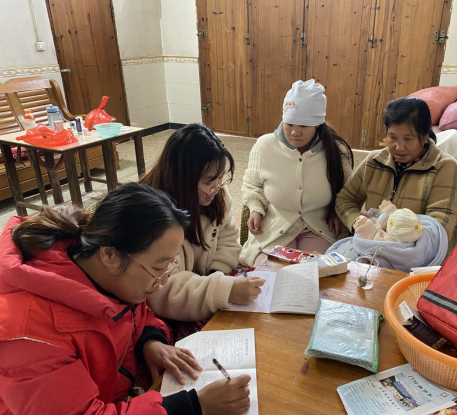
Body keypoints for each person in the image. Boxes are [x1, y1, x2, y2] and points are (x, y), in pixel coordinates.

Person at [0, 183, 251, 415]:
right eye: (158, 267)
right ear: (110, 255)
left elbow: (135, 314)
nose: (164, 279)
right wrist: (193, 406)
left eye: (170, 265)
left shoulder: (104, 271)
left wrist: (148, 341)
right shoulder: (29, 335)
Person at [140, 124, 265, 323]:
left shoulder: (217, 195)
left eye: (221, 177)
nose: (217, 187)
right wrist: (224, 289)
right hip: (165, 313)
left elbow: (228, 240)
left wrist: (216, 274)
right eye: (208, 182)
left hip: (202, 290)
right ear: (181, 178)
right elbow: (161, 289)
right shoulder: (151, 214)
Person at [240, 80, 354, 267]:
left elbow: (349, 190)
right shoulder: (264, 146)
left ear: (317, 125)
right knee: (270, 273)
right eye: (290, 124)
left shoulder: (336, 150)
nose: (295, 132)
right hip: (274, 226)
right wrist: (255, 207)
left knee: (315, 272)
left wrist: (336, 209)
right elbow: (252, 184)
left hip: (318, 228)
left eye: (304, 126)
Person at [336, 97, 457, 240]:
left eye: (408, 139)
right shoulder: (374, 161)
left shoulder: (444, 167)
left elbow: (439, 227)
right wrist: (359, 223)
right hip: (371, 245)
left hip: (417, 251)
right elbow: (344, 199)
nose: (399, 147)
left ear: (424, 136)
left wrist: (394, 233)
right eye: (393, 137)